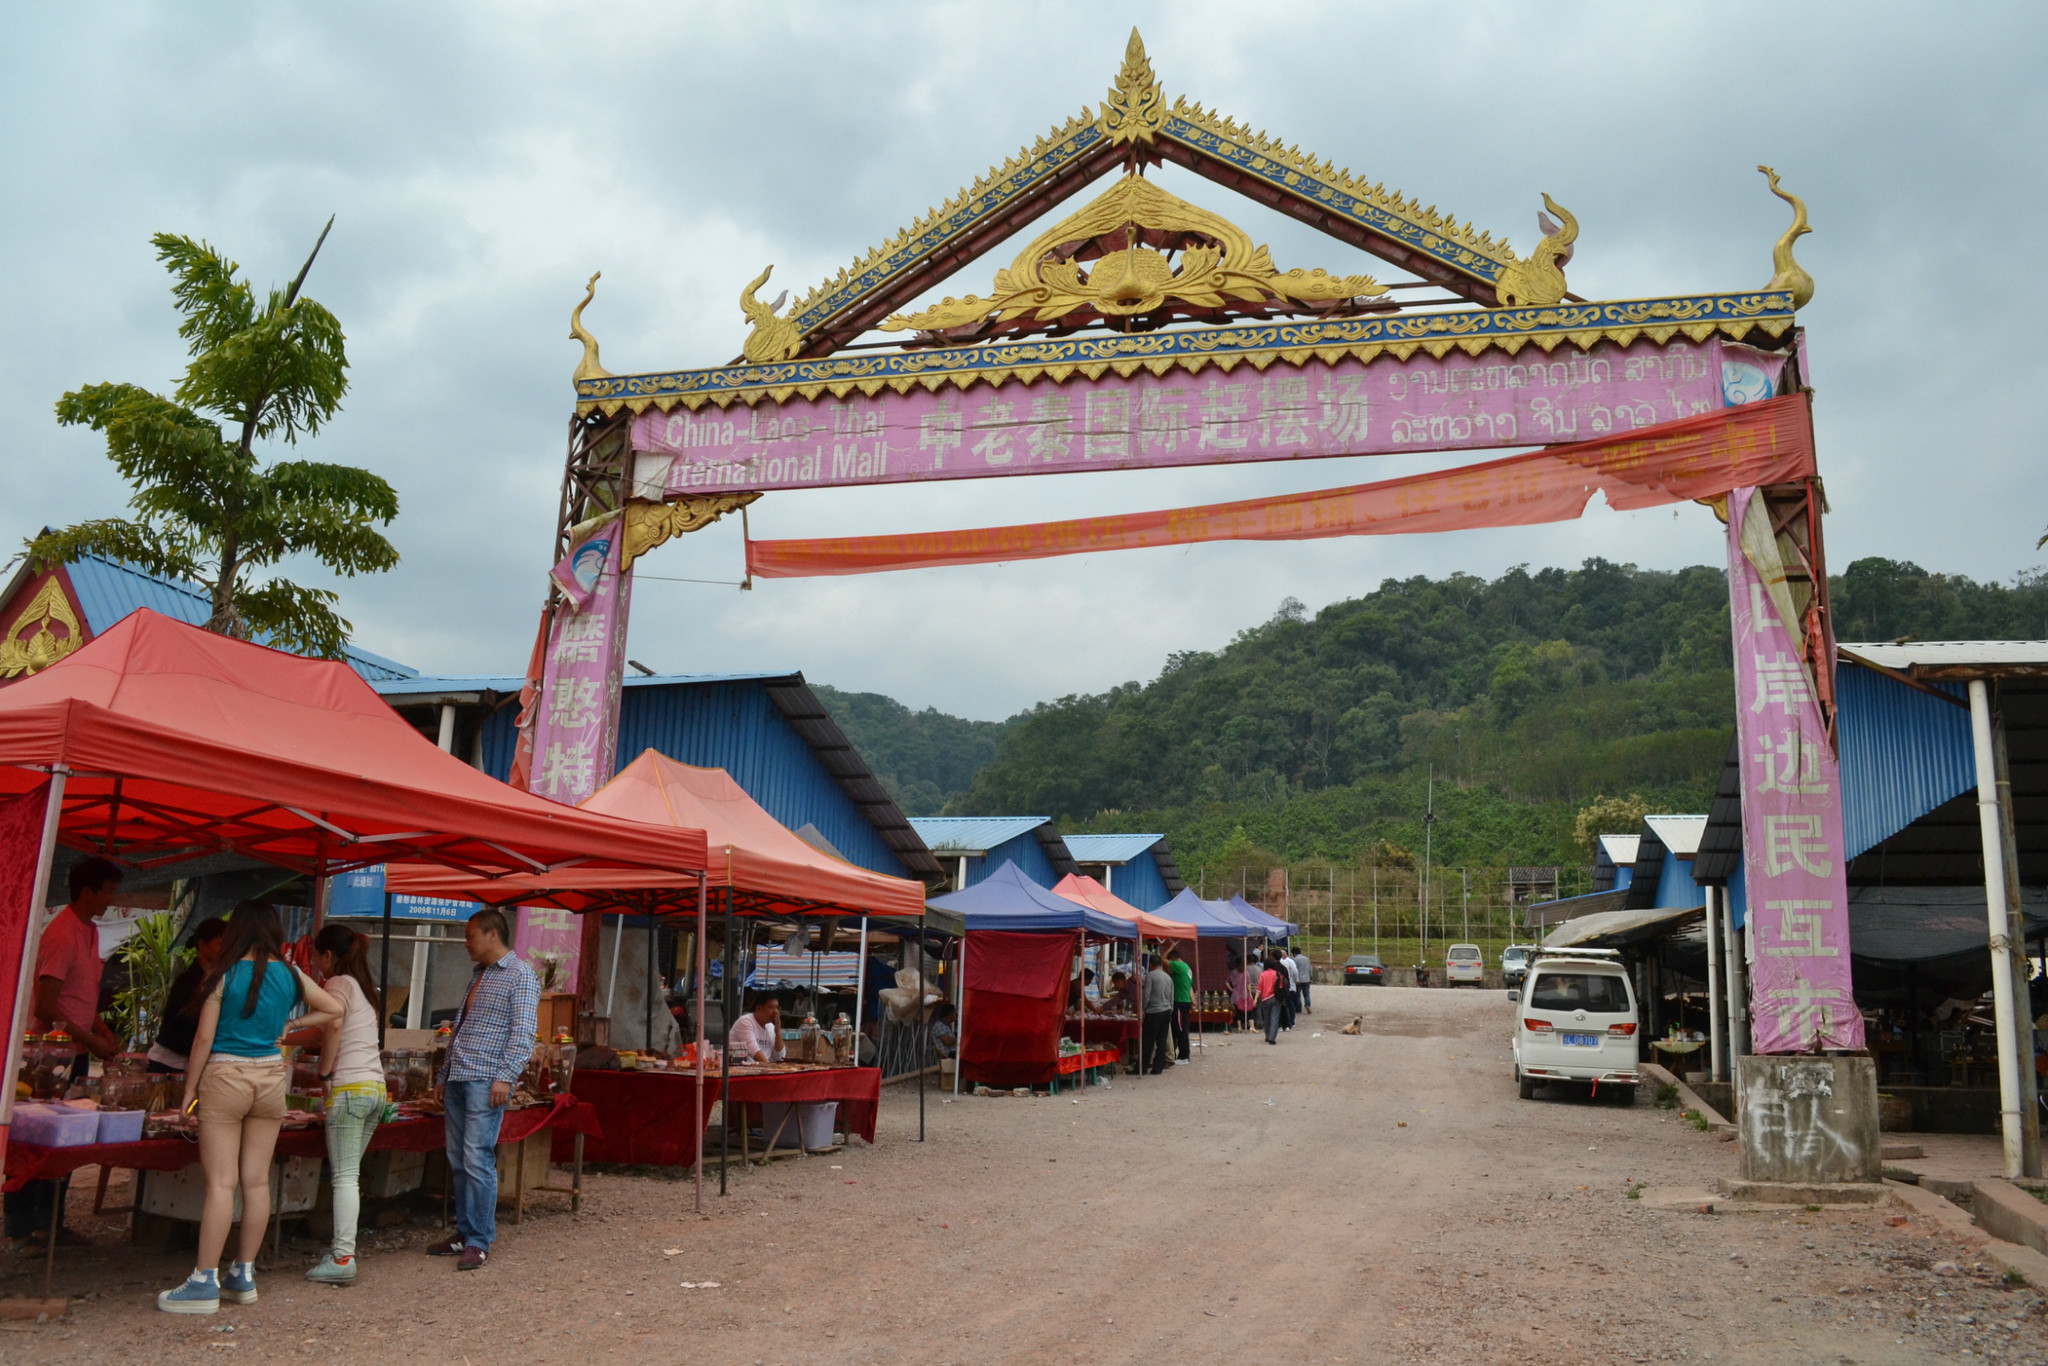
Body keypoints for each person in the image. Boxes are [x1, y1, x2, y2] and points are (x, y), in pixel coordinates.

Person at [158, 903, 343, 1314]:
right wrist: (292, 1026)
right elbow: (335, 1009)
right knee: (256, 1181)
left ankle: (204, 1280)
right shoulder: (291, 974)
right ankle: (244, 1274)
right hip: (271, 1078)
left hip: (225, 1076)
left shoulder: (222, 976)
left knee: (221, 1183)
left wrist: (189, 1091)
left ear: (236, 931)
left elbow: (203, 1040)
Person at [7, 857, 125, 1252]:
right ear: (87, 891)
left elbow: (80, 993)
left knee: (66, 1140)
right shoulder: (61, 934)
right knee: (37, 1137)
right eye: (107, 891)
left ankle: (51, 1223)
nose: (111, 898)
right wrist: (89, 1039)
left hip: (72, 1049)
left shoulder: (88, 932)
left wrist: (100, 1027)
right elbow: (46, 1005)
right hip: (46, 1058)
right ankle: (23, 1227)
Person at [425, 908, 539, 1274]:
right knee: (459, 1158)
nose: (466, 942)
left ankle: (479, 1240)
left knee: (477, 1157)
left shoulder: (520, 975)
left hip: (486, 1078)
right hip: (461, 1075)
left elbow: (523, 1033)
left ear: (493, 935)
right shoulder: (479, 975)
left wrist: (505, 1076)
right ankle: (464, 1231)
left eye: (471, 935)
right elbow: (461, 1029)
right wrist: (444, 1075)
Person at [299, 925, 386, 1286]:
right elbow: (323, 1030)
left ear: (328, 956)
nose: (316, 964)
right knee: (350, 1174)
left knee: (344, 1177)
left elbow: (330, 1027)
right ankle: (341, 1252)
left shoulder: (336, 985)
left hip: (349, 1087)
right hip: (375, 1089)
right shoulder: (363, 988)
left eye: (316, 956)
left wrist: (324, 1075)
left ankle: (342, 1256)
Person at [147, 918, 228, 1073]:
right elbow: (192, 1023)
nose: (225, 950)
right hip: (168, 1065)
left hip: (197, 1062)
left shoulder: (222, 979)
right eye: (220, 944)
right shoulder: (186, 981)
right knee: (186, 1098)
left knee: (194, 1099)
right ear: (202, 944)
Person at [1141, 952, 1174, 1075]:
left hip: (1154, 1012)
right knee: (1161, 1041)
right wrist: (1170, 1011)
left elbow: (1146, 995)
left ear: (1150, 965)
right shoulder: (1168, 977)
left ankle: (1143, 1067)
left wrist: (1143, 1010)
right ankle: (1158, 1067)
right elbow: (1171, 997)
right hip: (1166, 1011)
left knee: (1148, 1041)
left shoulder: (1151, 976)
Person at [728, 992, 785, 1064]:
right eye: (771, 1007)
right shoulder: (745, 1022)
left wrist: (778, 1032)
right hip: (741, 1069)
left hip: (763, 1068)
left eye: (776, 1008)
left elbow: (780, 1057)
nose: (775, 1012)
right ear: (759, 1008)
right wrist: (771, 1068)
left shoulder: (770, 1027)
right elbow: (754, 1052)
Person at [1165, 945, 1194, 1064]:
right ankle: (1182, 1055)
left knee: (1180, 1029)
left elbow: (1162, 959)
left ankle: (1184, 1056)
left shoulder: (1179, 966)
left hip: (1180, 1002)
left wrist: (1169, 947)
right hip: (1185, 1001)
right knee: (1180, 1029)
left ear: (1172, 959)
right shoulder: (1187, 968)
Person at [1257, 951, 1283, 1045]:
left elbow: (1259, 987)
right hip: (1276, 998)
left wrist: (1255, 999)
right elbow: (1281, 986)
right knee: (1274, 1018)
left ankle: (1267, 1036)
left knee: (1266, 1018)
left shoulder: (1262, 975)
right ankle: (1272, 1037)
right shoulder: (1277, 974)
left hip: (1265, 999)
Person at [1277, 946, 1300, 1031]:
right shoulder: (1289, 962)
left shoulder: (1286, 963)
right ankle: (1289, 1022)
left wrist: (1294, 980)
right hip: (1290, 986)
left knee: (1288, 1005)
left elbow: (1294, 972)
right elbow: (1295, 972)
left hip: (1287, 986)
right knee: (1290, 1005)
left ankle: (1289, 1022)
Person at [1293, 946, 1315, 1015]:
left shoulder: (1294, 960)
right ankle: (1307, 1005)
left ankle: (1298, 1008)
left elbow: (1294, 970)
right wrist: (1311, 978)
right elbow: (1310, 969)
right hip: (1306, 979)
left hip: (1298, 980)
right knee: (1307, 994)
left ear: (1294, 953)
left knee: (1297, 995)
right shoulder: (1307, 959)